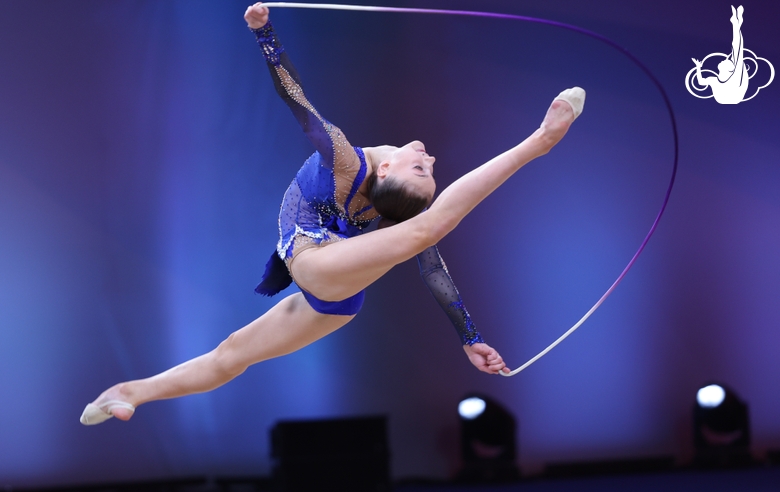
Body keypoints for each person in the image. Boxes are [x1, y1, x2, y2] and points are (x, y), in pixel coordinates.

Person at [80, 2, 585, 425]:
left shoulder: (382, 191)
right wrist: (264, 32)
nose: (428, 160)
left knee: (426, 232)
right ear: (383, 168)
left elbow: (432, 265)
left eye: (424, 173)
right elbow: (296, 99)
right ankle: (126, 392)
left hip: (324, 269)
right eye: (426, 169)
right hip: (328, 273)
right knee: (231, 354)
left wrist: (470, 339)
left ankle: (537, 143)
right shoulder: (347, 158)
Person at [692, 5, 748, 104]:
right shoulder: (714, 80)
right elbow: (701, 82)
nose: (725, 59)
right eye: (728, 60)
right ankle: (736, 23)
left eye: (727, 61)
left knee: (737, 51)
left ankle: (736, 23)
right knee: (737, 52)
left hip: (734, 95)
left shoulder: (734, 77)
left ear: (729, 69)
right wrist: (698, 67)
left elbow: (738, 49)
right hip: (727, 97)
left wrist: (736, 25)